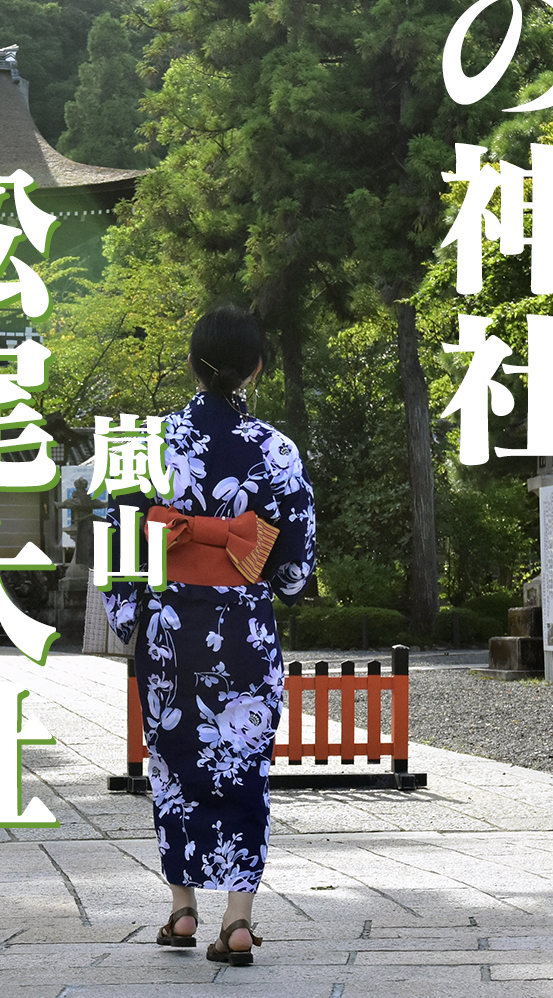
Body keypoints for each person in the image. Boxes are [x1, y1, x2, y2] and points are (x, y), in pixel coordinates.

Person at [104, 305, 315, 968]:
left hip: (172, 630)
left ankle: (182, 908)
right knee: (243, 768)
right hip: (245, 631)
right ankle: (239, 919)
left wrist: (128, 616)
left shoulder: (146, 445)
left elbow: (120, 544)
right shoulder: (276, 450)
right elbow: (294, 565)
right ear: (256, 367)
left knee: (175, 767)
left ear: (195, 363)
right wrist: (264, 576)